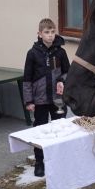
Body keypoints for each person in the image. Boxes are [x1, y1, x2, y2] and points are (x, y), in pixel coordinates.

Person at [23, 18, 70, 177]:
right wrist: (29, 100)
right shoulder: (33, 53)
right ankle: (40, 162)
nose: (50, 36)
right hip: (40, 100)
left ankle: (59, 160)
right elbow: (27, 79)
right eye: (46, 32)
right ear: (39, 34)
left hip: (58, 99)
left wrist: (63, 81)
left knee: (60, 129)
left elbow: (67, 72)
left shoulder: (61, 52)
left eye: (52, 32)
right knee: (40, 130)